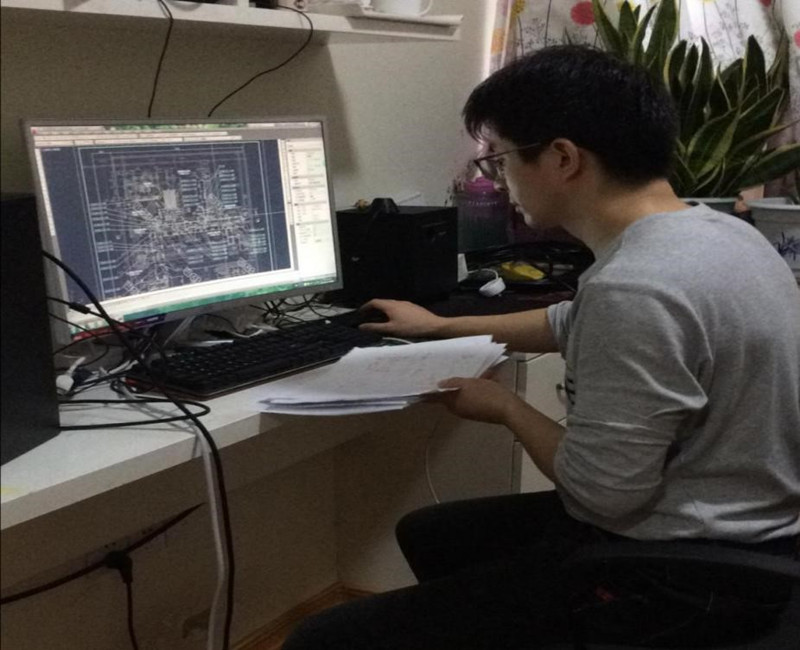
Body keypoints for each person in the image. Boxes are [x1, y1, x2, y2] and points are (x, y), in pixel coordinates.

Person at [282, 44, 800, 650]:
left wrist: (505, 407)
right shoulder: (717, 234)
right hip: (752, 531)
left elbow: (601, 493)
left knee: (323, 639)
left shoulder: (637, 286)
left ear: (562, 158)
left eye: (500, 160)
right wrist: (439, 326)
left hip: (683, 578)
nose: (499, 181)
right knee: (433, 533)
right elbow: (570, 319)